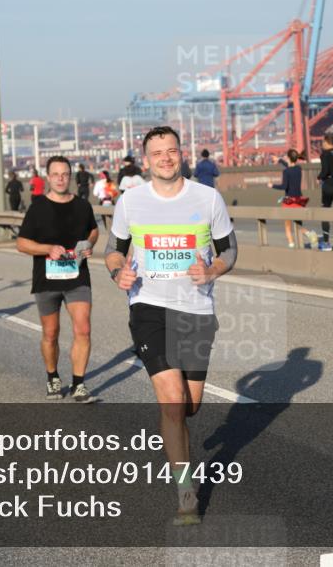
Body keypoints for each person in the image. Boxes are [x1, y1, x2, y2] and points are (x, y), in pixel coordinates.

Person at [104, 125, 237, 526]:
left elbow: (229, 249)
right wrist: (117, 273)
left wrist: (212, 269)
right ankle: (186, 493)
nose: (165, 158)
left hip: (195, 310)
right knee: (172, 399)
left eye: (171, 151)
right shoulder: (131, 200)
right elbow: (114, 250)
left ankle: (177, 435)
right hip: (148, 306)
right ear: (146, 160)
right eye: (157, 153)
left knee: (190, 405)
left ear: (182, 154)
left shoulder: (207, 197)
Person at [16, 156, 100, 403]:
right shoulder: (38, 207)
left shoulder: (83, 206)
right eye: (56, 174)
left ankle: (79, 384)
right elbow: (21, 243)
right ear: (48, 178)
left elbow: (93, 230)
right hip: (47, 279)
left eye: (65, 174)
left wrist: (89, 243)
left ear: (70, 176)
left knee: (83, 328)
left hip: (77, 277)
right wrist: (47, 249)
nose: (61, 178)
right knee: (51, 333)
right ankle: (52, 376)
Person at [270, 149, 316, 248]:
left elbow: (284, 187)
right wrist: (279, 160)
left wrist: (272, 185)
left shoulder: (286, 171)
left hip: (289, 201)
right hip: (299, 200)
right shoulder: (298, 169)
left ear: (289, 158)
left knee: (287, 226)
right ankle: (309, 234)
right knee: (297, 224)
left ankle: (291, 244)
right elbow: (290, 167)